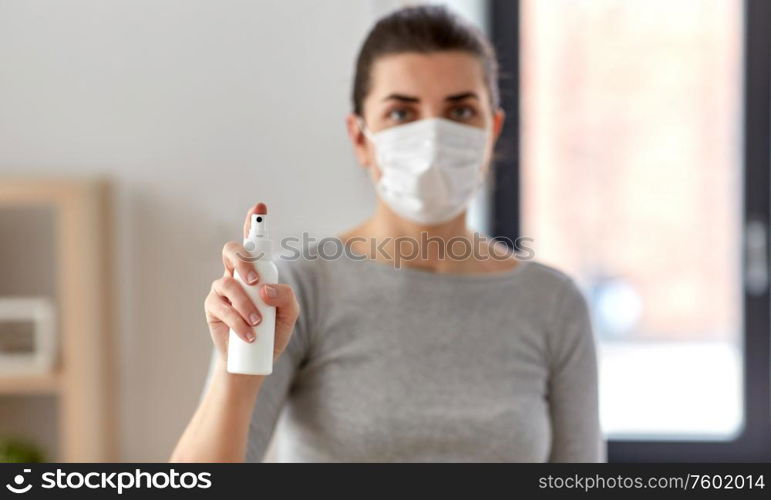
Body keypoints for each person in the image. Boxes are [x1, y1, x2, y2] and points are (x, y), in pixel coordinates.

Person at [171, 4, 605, 463]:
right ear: (360, 137)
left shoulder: (553, 304)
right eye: (401, 113)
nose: (433, 137)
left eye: (460, 110)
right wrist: (237, 372)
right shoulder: (297, 290)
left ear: (491, 131)